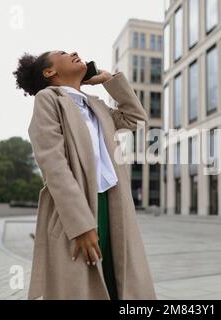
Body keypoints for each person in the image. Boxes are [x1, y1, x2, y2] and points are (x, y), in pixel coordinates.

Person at [13, 50, 157, 300]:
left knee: (119, 282)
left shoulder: (95, 105)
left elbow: (136, 119)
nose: (75, 53)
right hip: (78, 210)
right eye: (63, 53)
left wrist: (109, 80)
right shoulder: (49, 99)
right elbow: (54, 165)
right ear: (50, 72)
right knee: (82, 287)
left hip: (113, 205)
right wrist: (81, 225)